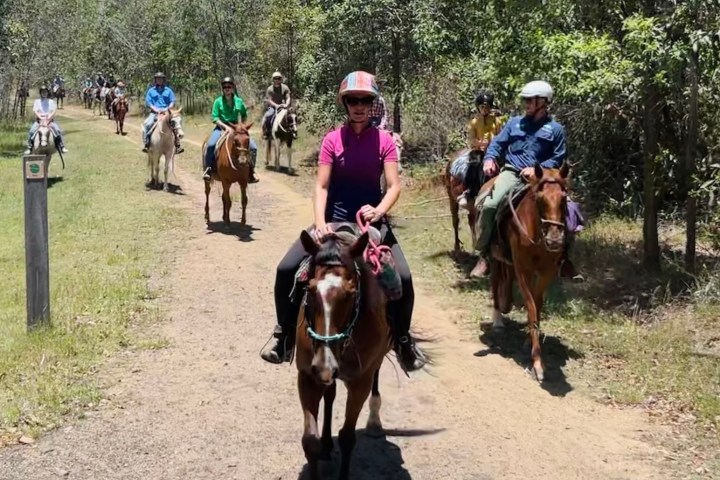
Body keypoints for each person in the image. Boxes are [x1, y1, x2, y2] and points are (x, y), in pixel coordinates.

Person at [260, 70, 427, 373]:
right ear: (345, 104)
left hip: (371, 224)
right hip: (334, 221)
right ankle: (283, 336)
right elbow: (322, 186)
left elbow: (393, 186)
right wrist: (320, 222)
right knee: (285, 269)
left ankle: (403, 342)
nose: (359, 105)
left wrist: (378, 210)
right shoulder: (332, 140)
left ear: (373, 104)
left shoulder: (385, 141)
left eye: (365, 100)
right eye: (353, 100)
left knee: (403, 277)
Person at [473, 80, 578, 278]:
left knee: (571, 211)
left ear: (543, 102)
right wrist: (489, 158)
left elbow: (558, 156)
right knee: (489, 205)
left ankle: (565, 260)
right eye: (526, 100)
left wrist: (539, 168)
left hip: (543, 178)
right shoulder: (514, 123)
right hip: (512, 172)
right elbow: (497, 143)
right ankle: (484, 253)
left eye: (530, 101)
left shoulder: (555, 129)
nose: (526, 104)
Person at [202, 77, 259, 183]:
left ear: (232, 88)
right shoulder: (218, 101)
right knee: (211, 144)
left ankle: (251, 171)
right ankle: (209, 169)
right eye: (225, 87)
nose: (227, 88)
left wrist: (241, 127)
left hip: (236, 128)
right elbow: (215, 118)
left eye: (229, 86)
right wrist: (225, 127)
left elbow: (244, 115)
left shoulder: (239, 101)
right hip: (221, 127)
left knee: (253, 147)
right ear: (222, 89)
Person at [457, 92, 504, 209]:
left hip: (494, 151)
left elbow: (501, 136)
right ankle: (469, 192)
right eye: (482, 107)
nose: (485, 109)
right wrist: (479, 144)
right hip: (478, 151)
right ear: (478, 107)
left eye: (487, 106)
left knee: (505, 165)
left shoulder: (497, 121)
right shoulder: (474, 122)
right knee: (473, 165)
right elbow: (471, 140)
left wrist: (495, 144)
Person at [141, 72, 183, 154]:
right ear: (155, 80)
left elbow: (172, 101)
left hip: (167, 112)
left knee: (176, 123)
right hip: (155, 112)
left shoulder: (168, 90)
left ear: (163, 80)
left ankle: (178, 145)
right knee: (147, 124)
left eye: (161, 79)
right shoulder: (151, 91)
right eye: (157, 79)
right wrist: (156, 110)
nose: (159, 80)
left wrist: (168, 108)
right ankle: (147, 144)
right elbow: (149, 103)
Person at [24, 85, 68, 154]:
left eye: (45, 92)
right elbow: (35, 111)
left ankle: (61, 146)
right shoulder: (37, 101)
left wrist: (49, 117)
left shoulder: (51, 101)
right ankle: (29, 147)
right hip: (39, 121)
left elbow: (53, 111)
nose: (44, 93)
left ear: (47, 93)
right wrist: (40, 117)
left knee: (57, 130)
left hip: (49, 121)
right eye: (43, 92)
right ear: (40, 93)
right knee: (31, 131)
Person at [261, 71, 291, 140]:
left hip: (283, 106)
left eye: (278, 78)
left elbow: (288, 97)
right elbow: (269, 100)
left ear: (281, 79)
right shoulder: (270, 89)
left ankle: (292, 132)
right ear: (273, 80)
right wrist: (276, 105)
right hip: (273, 107)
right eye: (275, 79)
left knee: (292, 116)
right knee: (267, 117)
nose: (277, 80)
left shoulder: (285, 87)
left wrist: (286, 104)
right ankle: (267, 133)